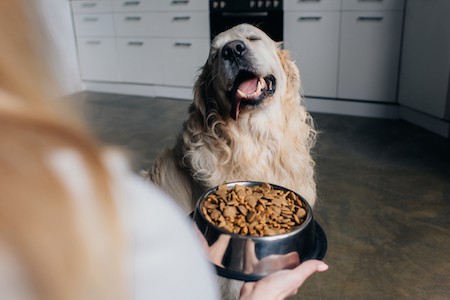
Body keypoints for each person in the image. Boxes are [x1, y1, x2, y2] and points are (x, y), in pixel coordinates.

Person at [0, 1, 328, 300]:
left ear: (285, 70)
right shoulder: (201, 181)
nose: (233, 49)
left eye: (253, 40)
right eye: (218, 55)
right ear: (208, 99)